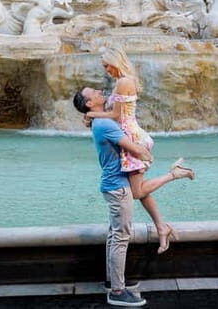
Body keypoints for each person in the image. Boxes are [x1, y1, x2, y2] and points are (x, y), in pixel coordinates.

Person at [83, 48, 195, 255]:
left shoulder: (124, 82)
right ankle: (162, 227)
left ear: (116, 62)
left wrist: (92, 113)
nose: (106, 70)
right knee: (140, 189)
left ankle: (175, 173)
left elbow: (117, 116)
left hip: (133, 140)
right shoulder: (122, 81)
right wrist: (94, 115)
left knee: (137, 191)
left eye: (107, 65)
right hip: (128, 138)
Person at [73, 86, 149, 307]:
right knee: (121, 236)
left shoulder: (99, 121)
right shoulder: (105, 123)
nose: (99, 91)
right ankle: (117, 290)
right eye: (93, 92)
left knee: (115, 234)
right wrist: (146, 152)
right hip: (118, 186)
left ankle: (114, 280)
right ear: (89, 103)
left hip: (113, 185)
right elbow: (134, 149)